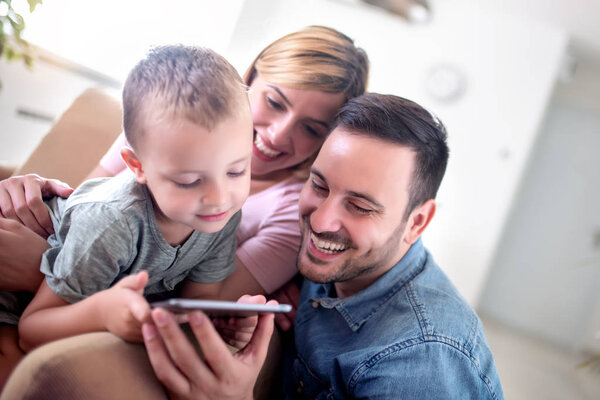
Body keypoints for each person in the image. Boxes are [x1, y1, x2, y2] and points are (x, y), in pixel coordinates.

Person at [0, 25, 369, 330]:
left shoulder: (281, 215)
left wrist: (42, 266)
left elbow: (194, 309)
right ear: (250, 79)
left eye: (311, 128)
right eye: (274, 102)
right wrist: (31, 191)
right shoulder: (166, 120)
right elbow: (88, 217)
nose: (278, 135)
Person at [145, 93, 505, 398]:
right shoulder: (336, 270)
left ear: (417, 222)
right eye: (319, 186)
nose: (319, 222)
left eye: (360, 207)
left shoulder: (420, 360)